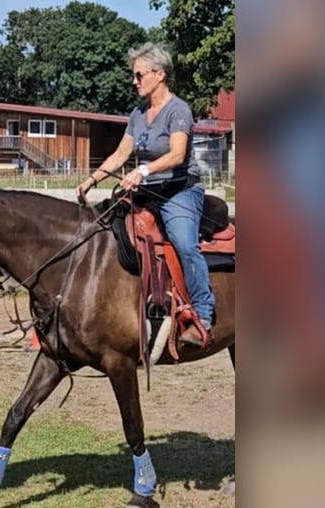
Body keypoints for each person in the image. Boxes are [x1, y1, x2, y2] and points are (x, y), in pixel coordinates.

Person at [76, 43, 214, 347]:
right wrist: (91, 180)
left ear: (159, 74)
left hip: (179, 190)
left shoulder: (178, 110)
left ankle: (203, 314)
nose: (134, 81)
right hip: (146, 191)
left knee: (183, 242)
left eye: (139, 75)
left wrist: (143, 171)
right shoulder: (138, 114)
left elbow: (178, 155)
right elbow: (120, 154)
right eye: (133, 75)